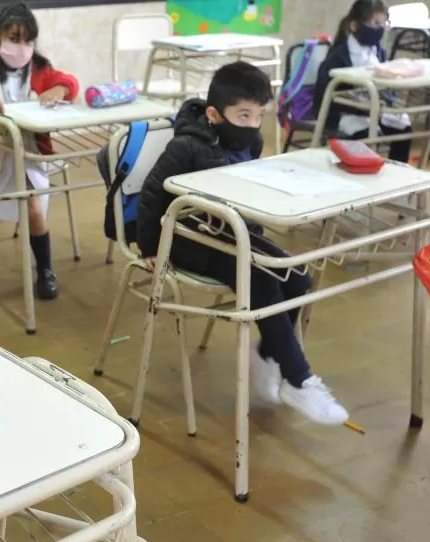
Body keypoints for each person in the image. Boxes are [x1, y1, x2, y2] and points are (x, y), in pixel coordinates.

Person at [136, 62, 349, 426]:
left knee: (297, 277)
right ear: (215, 114)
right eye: (243, 115)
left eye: (259, 116)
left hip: (233, 235)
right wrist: (150, 248)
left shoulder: (253, 141)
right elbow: (152, 194)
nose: (252, 125)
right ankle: (299, 380)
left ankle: (267, 353)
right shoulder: (186, 145)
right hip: (188, 238)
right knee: (263, 281)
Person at [0, 1, 79, 300]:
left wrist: (59, 90)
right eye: (14, 39)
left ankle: (45, 269)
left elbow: (69, 82)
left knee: (33, 208)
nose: (21, 47)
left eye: (28, 40)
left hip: (26, 153)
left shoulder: (39, 68)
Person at [315, 0, 412, 162]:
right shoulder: (338, 56)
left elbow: (385, 86)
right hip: (344, 113)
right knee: (365, 135)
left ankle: (399, 172)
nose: (380, 29)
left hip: (374, 108)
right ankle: (361, 172)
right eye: (375, 23)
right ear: (355, 26)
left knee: (404, 129)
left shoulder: (379, 51)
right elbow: (323, 99)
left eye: (384, 24)